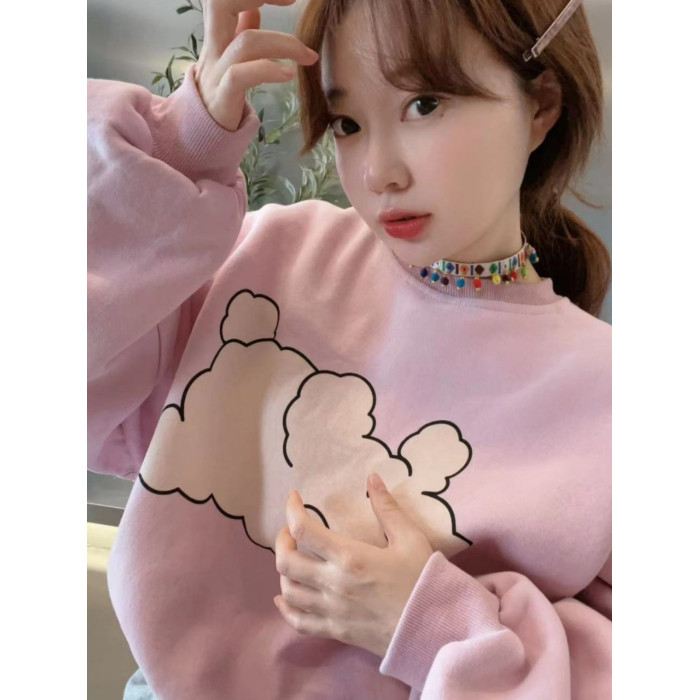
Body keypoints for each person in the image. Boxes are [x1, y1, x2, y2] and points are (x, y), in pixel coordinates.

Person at [87, 0, 611, 697]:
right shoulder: (274, 256)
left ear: (541, 105)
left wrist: (431, 625)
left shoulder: (613, 398)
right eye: (348, 123)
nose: (379, 172)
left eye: (425, 104)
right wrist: (183, 147)